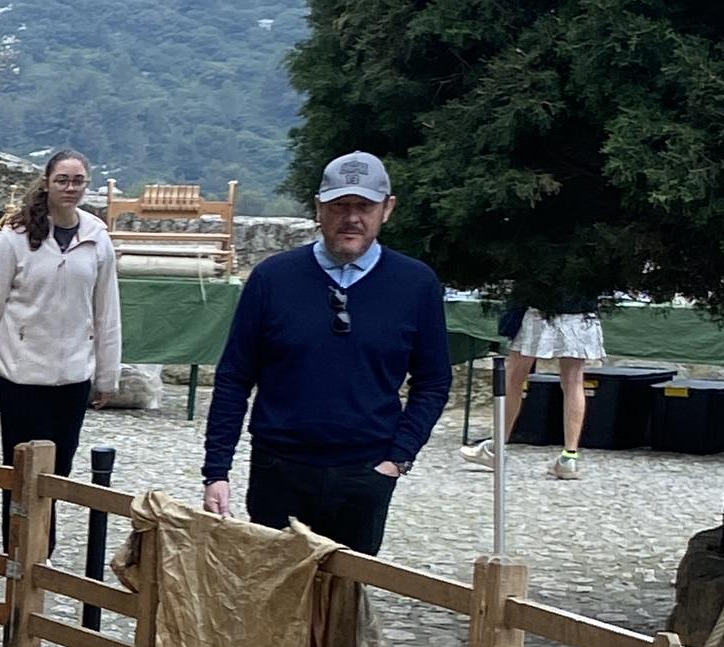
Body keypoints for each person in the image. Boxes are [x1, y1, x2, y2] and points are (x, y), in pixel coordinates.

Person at [201, 150, 450, 556]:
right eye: (340, 206)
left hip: (365, 474)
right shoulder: (272, 279)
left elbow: (434, 381)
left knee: (344, 608)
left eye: (364, 206)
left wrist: (397, 460)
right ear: (319, 209)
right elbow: (234, 377)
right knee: (271, 603)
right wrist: (216, 470)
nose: (352, 217)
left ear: (387, 209)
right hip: (278, 470)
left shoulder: (415, 285)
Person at [0, 149, 120, 545]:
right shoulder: (14, 238)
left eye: (78, 181)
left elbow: (106, 312)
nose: (70, 188)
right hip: (20, 374)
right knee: (19, 470)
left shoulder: (97, 238)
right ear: (47, 183)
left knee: (59, 470)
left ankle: (41, 547)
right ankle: (18, 549)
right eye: (62, 180)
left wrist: (107, 375)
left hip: (72, 377)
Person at [468, 296, 608, 480]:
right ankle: (569, 457)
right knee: (574, 381)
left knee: (514, 376)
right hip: (580, 312)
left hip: (539, 309)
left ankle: (496, 447)